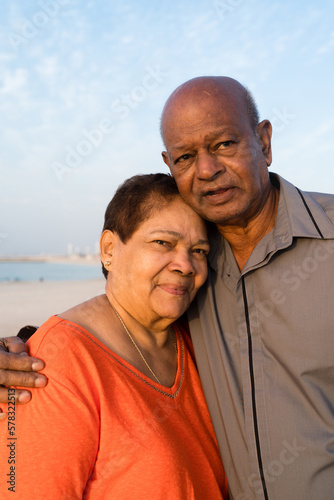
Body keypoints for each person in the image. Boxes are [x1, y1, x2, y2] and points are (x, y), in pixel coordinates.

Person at [1, 76, 334, 499]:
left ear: (264, 141)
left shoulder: (191, 318)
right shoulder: (58, 361)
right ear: (108, 249)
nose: (208, 169)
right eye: (186, 156)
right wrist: (31, 347)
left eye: (225, 144)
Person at [0, 173, 229, 499]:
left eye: (200, 250)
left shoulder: (202, 340)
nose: (186, 264)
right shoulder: (58, 362)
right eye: (163, 242)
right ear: (109, 249)